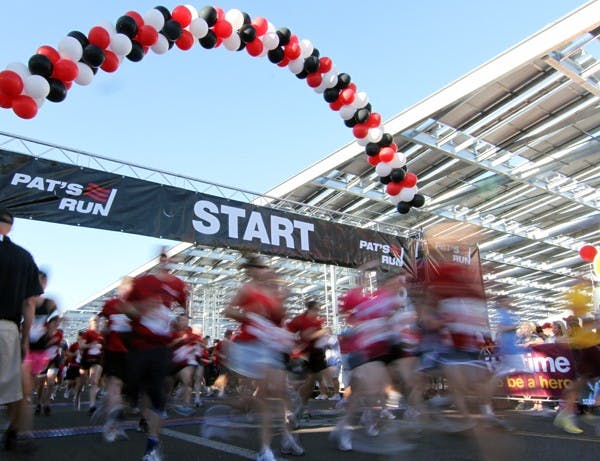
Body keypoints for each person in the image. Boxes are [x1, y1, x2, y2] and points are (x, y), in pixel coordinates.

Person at [223, 255, 301, 461]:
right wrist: (249, 315)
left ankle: (285, 437)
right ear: (250, 270)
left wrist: (282, 300)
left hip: (272, 346)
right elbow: (227, 310)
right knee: (269, 396)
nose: (264, 270)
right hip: (252, 347)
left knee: (281, 393)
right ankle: (265, 449)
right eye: (260, 267)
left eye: (265, 267)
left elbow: (279, 318)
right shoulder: (247, 289)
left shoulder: (273, 291)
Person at [120, 248, 188, 461]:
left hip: (161, 348)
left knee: (158, 394)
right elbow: (124, 306)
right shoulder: (142, 282)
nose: (166, 260)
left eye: (169, 257)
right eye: (162, 256)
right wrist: (142, 310)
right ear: (157, 261)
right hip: (138, 346)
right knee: (136, 392)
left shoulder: (178, 285)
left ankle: (152, 446)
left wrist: (179, 321)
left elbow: (183, 311)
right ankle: (135, 409)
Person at [0, 207, 44, 452]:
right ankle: (14, 431)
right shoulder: (23, 257)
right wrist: (25, 337)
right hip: (7, 329)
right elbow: (29, 303)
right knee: (12, 389)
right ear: (11, 226)